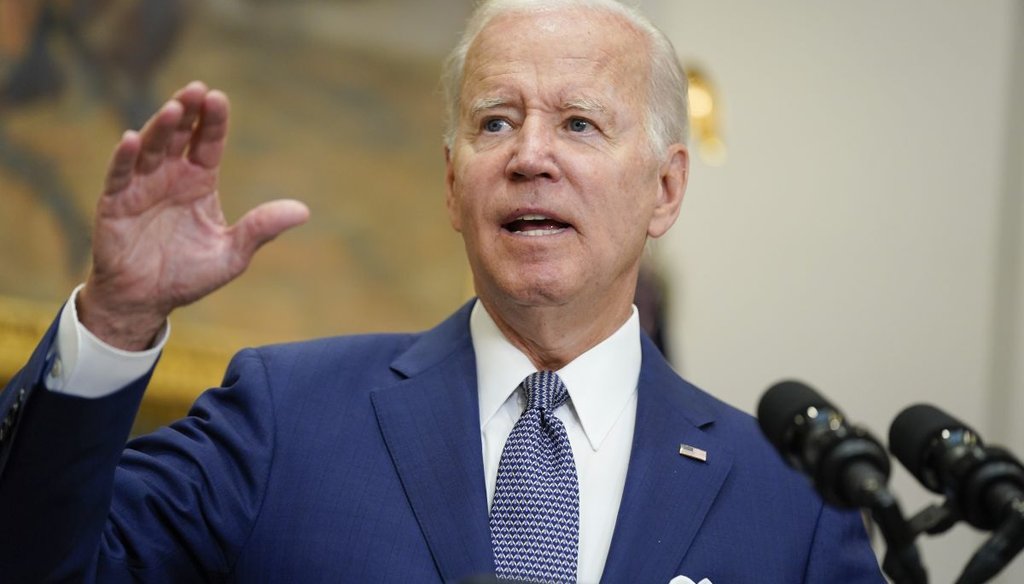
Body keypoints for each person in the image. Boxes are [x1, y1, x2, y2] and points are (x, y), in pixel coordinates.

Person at [0, 0, 886, 582]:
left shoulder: (792, 501)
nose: (530, 156)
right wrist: (116, 319)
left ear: (665, 189)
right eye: (495, 122)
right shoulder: (284, 419)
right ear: (452, 181)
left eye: (579, 124)